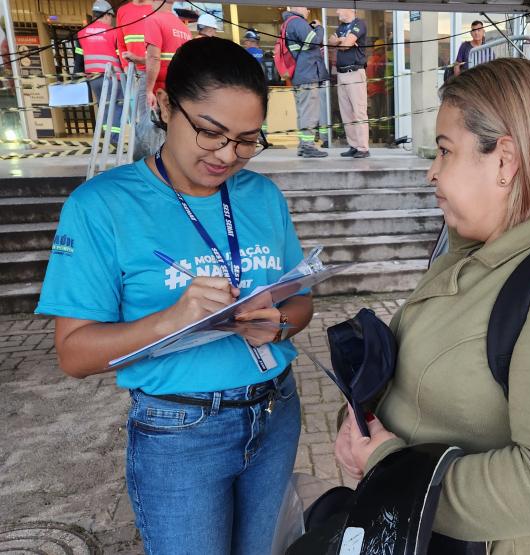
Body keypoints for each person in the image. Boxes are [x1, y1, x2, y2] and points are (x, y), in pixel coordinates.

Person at [333, 57, 530, 554]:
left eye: (444, 151)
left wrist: (385, 465)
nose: (432, 172)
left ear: (504, 161)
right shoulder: (473, 253)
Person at [36, 37, 312, 554]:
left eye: (248, 140)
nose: (228, 155)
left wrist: (277, 323)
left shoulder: (262, 196)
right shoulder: (102, 206)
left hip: (275, 412)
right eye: (210, 132)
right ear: (164, 106)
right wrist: (173, 318)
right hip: (181, 431)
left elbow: (300, 302)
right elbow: (74, 354)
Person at [135, 0, 191, 160]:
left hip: (159, 89)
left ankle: (152, 172)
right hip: (178, 90)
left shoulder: (153, 19)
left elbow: (154, 57)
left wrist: (148, 90)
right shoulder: (182, 27)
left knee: (151, 137)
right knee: (173, 133)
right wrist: (139, 60)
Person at [283, 6, 329, 158]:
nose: (308, 11)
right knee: (309, 112)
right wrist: (320, 28)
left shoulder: (289, 23)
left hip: (300, 74)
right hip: (308, 73)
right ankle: (308, 146)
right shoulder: (298, 22)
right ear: (297, 7)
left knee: (303, 112)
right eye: (306, 7)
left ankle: (303, 146)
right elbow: (314, 42)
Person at [75, 0, 123, 144]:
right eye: (111, 17)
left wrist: (77, 77)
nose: (111, 21)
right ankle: (115, 140)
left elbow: (79, 59)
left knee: (103, 106)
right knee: (117, 106)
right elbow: (120, 56)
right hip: (113, 77)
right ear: (107, 15)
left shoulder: (82, 33)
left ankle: (108, 137)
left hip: (93, 78)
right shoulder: (113, 32)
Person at [327, 8, 369, 158]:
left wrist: (342, 41)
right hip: (341, 74)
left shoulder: (359, 24)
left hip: (355, 73)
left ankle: (363, 148)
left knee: (359, 112)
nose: (337, 12)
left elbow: (346, 44)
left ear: (350, 10)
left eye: (340, 9)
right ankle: (353, 145)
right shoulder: (341, 27)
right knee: (346, 114)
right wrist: (342, 41)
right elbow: (331, 42)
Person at [116, 0, 153, 158]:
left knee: (149, 117)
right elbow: (121, 43)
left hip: (152, 70)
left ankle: (149, 157)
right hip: (135, 72)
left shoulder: (155, 6)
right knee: (142, 117)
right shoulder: (123, 11)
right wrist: (125, 66)